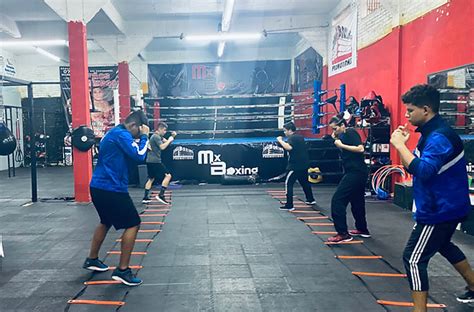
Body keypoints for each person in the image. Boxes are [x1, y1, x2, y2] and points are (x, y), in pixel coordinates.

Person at [390, 84, 474, 311]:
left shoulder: (439, 137)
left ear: (425, 110)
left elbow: (425, 171)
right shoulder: (431, 133)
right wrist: (404, 148)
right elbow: (416, 169)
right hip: (445, 206)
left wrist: (399, 145)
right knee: (444, 245)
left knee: (413, 259)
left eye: (410, 110)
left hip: (439, 210)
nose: (406, 115)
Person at [82, 110, 149, 287]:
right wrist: (144, 137)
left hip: (98, 186)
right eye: (138, 130)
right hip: (111, 188)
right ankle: (123, 270)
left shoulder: (112, 132)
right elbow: (140, 155)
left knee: (105, 221)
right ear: (134, 126)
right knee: (133, 223)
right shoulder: (122, 134)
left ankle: (92, 259)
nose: (137, 134)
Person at [327, 115, 370, 243]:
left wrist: (341, 145)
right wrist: (337, 139)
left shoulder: (350, 132)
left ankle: (343, 233)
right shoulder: (342, 135)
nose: (333, 132)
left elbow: (360, 149)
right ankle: (362, 229)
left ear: (342, 126)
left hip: (356, 173)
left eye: (335, 129)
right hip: (356, 172)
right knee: (357, 201)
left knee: (337, 200)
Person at [277, 121, 316, 211]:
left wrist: (280, 140)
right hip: (304, 164)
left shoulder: (292, 138)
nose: (284, 132)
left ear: (290, 130)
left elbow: (289, 148)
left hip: (295, 165)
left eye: (285, 131)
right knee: (304, 182)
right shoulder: (300, 137)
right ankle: (310, 199)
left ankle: (289, 205)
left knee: (288, 183)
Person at [142, 122, 176, 204]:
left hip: (150, 160)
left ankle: (145, 197)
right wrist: (170, 139)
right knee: (168, 176)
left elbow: (167, 142)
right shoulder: (156, 137)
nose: (165, 132)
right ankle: (161, 195)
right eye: (164, 130)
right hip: (155, 161)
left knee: (151, 179)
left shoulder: (157, 136)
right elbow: (163, 147)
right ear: (160, 129)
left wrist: (172, 137)